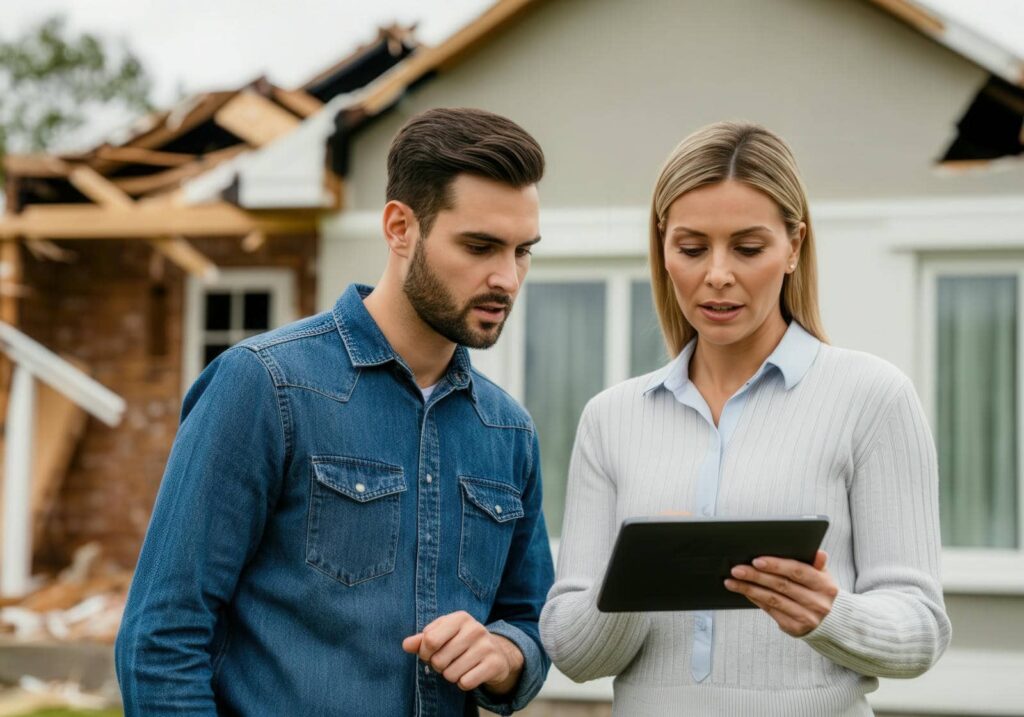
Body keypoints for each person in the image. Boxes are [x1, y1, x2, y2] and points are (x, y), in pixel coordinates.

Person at [116, 107, 555, 716]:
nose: (506, 278)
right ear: (401, 228)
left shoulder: (509, 432)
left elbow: (530, 623)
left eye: (522, 251)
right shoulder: (266, 386)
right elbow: (161, 639)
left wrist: (506, 656)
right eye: (480, 246)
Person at [540, 121, 951, 716]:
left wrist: (830, 614)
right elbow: (573, 655)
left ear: (794, 246)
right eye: (691, 247)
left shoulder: (873, 397)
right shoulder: (611, 418)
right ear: (662, 249)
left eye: (749, 248)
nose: (718, 274)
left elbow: (921, 630)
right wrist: (643, 576)